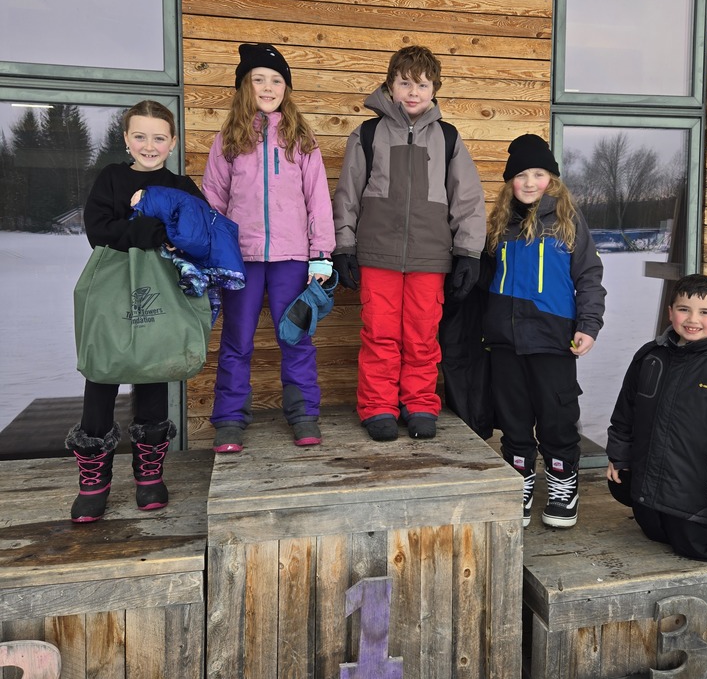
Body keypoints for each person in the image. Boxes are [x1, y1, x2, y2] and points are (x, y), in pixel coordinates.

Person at [332, 44, 486, 442]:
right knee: (380, 334)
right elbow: (347, 194)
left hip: (430, 257)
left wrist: (469, 253)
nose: (412, 92)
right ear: (391, 85)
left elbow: (467, 200)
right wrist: (343, 245)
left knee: (421, 336)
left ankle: (419, 402)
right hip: (378, 255)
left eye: (421, 84)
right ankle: (378, 406)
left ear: (434, 88)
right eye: (404, 83)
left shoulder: (448, 138)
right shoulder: (367, 134)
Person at [66, 99, 206, 523]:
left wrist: (165, 226)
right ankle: (94, 481)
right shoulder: (111, 179)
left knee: (154, 367)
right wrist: (144, 228)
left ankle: (149, 477)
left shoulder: (181, 184)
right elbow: (97, 229)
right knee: (103, 370)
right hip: (113, 287)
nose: (150, 145)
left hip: (161, 289)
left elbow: (198, 229)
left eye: (159, 137)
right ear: (127, 139)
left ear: (173, 142)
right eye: (140, 136)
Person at [203, 43, 335, 451]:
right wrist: (213, 254)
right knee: (237, 340)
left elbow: (318, 198)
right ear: (245, 85)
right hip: (240, 258)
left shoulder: (300, 137)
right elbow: (214, 201)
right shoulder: (228, 138)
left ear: (286, 88)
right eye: (259, 78)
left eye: (276, 80)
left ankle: (303, 414)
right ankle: (229, 419)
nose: (268, 86)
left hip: (292, 258)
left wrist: (322, 254)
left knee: (295, 337)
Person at [483, 133, 606, 529]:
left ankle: (562, 483)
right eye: (521, 175)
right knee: (514, 417)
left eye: (539, 173)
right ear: (510, 183)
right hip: (505, 340)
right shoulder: (500, 226)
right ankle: (520, 479)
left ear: (552, 179)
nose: (530, 182)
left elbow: (588, 275)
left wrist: (589, 324)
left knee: (556, 415)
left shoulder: (567, 222)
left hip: (553, 339)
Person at [606, 273, 707, 563]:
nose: (693, 319)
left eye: (705, 312)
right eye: (684, 309)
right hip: (652, 491)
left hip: (698, 497)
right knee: (654, 532)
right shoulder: (651, 357)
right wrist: (620, 457)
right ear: (670, 313)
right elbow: (625, 413)